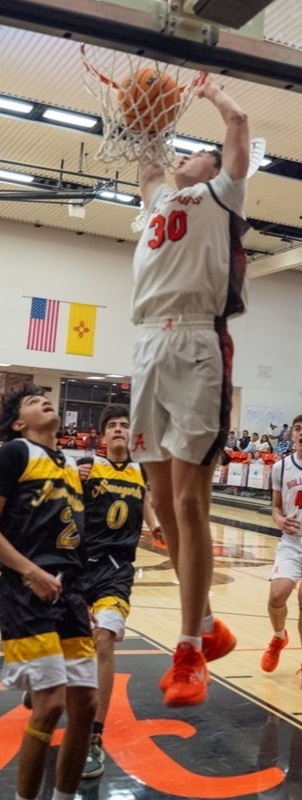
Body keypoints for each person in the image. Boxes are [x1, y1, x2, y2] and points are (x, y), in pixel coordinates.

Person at [129, 73, 250, 707]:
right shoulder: (154, 202)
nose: (184, 159)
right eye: (181, 154)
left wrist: (212, 97)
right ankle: (207, 625)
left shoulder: (223, 195)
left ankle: (187, 650)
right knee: (162, 501)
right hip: (146, 342)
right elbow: (148, 156)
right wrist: (149, 110)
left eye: (193, 154)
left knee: (190, 502)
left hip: (198, 341)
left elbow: (236, 132)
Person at [0, 384, 97, 800]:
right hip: (25, 589)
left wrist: (84, 596)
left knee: (86, 707)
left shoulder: (69, 465)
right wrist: (31, 572)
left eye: (48, 399)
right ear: (19, 422)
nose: (47, 402)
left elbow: (76, 538)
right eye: (32, 401)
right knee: (50, 705)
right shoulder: (15, 453)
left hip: (71, 593)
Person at [79, 404, 160, 779]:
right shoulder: (87, 467)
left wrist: (157, 527)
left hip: (116, 570)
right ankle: (41, 679)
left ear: (132, 434)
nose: (118, 430)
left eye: (124, 425)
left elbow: (147, 504)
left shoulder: (141, 470)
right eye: (111, 425)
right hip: (78, 566)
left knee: (104, 639)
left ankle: (95, 737)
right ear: (102, 435)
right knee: (64, 644)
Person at [260, 415, 302, 677]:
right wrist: (279, 519)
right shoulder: (281, 467)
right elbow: (275, 507)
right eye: (298, 429)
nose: (301, 433)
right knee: (277, 595)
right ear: (293, 435)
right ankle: (279, 637)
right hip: (292, 542)